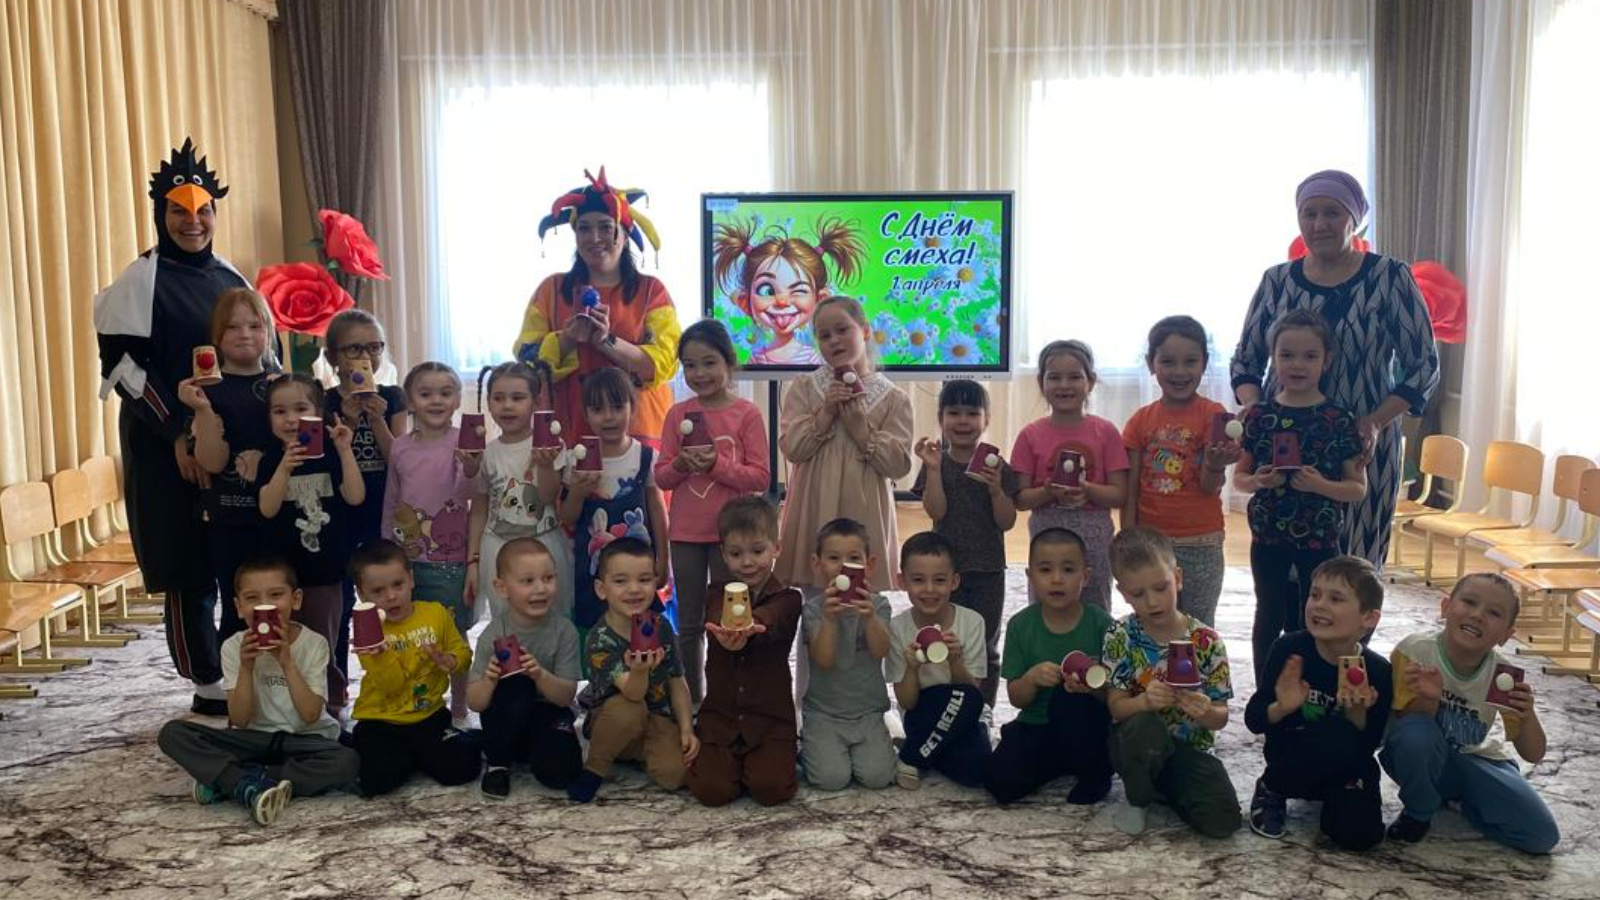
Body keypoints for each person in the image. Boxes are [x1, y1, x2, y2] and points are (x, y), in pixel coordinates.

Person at [94, 138, 249, 715]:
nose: (193, 221)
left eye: (203, 210)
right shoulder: (139, 281)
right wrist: (181, 433)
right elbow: (127, 371)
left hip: (225, 441)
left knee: (234, 555)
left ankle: (244, 668)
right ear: (161, 214)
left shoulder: (230, 276)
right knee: (186, 565)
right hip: (163, 442)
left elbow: (258, 354)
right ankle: (207, 682)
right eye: (180, 211)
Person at [1230, 169, 1440, 567]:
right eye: (1309, 213)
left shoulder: (1390, 277)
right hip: (1285, 441)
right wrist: (1256, 409)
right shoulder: (1277, 281)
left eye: (1332, 213)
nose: (1319, 224)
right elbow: (1246, 359)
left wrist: (1375, 421)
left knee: (1355, 563)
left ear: (1354, 219)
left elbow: (1423, 366)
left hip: (1361, 444)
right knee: (1282, 561)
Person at [156, 555, 358, 826]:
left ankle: (235, 780)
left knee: (347, 761)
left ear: (296, 600)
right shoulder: (233, 647)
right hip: (254, 740)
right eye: (252, 598)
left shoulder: (314, 644)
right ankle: (245, 781)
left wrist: (287, 662)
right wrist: (246, 667)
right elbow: (240, 719)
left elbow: (311, 715)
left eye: (276, 595)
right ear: (239, 608)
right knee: (173, 733)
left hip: (305, 740)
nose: (266, 605)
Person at [1380, 573, 1559, 854]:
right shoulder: (1415, 651)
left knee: (1541, 837)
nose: (1477, 615)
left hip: (1475, 760)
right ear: (1445, 607)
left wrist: (1527, 716)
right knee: (1416, 735)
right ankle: (1419, 812)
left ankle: (1460, 804)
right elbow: (1400, 729)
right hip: (1421, 756)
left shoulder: (1503, 676)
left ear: (1506, 635)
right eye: (1469, 602)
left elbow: (1534, 754)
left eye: (1494, 613)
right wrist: (1428, 700)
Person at [1232, 310, 1366, 685]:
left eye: (1309, 356)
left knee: (1317, 614)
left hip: (1320, 537)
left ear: (1327, 360)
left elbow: (1358, 488)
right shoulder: (1259, 416)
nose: (1297, 364)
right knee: (1268, 613)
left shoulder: (1339, 418)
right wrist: (1258, 480)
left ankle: (1312, 686)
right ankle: (1265, 689)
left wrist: (1320, 486)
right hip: (1268, 535)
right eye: (1287, 355)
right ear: (1273, 359)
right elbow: (1239, 479)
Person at [514, 167, 681, 440]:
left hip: (639, 432)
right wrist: (567, 339)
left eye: (605, 227)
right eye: (584, 228)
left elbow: (663, 363)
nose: (594, 238)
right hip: (567, 431)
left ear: (624, 234)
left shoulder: (653, 291)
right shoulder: (551, 290)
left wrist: (606, 341)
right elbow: (526, 358)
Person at [655, 320, 770, 704]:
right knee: (689, 622)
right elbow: (661, 476)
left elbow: (760, 478)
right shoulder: (677, 414)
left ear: (728, 363)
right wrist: (682, 464)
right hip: (685, 534)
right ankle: (692, 699)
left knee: (731, 620)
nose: (699, 373)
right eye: (690, 365)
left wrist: (716, 465)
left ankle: (729, 696)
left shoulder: (746, 414)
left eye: (709, 363)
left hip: (732, 538)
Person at [1244, 556, 1391, 850]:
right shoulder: (1289, 649)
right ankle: (1271, 787)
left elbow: (1369, 745)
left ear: (1369, 618)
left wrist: (1357, 712)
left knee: (1362, 836)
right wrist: (1282, 707)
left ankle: (1334, 802)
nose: (1319, 605)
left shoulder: (1377, 670)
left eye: (1336, 599)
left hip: (1344, 765)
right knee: (1328, 733)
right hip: (1292, 759)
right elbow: (1254, 719)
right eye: (1315, 595)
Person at [1103, 527, 1240, 838]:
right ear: (1123, 593)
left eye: (1161, 587)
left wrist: (1207, 712)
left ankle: (1165, 786)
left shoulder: (1207, 641)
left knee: (1223, 822)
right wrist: (1144, 702)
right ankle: (1138, 797)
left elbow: (1221, 717)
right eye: (1138, 594)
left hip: (1190, 749)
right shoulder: (1119, 635)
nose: (1152, 601)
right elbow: (1116, 708)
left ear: (1177, 578)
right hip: (1136, 743)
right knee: (1144, 726)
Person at [776, 296, 913, 591]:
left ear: (865, 331)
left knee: (862, 594)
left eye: (842, 330)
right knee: (817, 596)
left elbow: (898, 465)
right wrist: (825, 413)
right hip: (815, 506)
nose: (834, 340)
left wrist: (862, 432)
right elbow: (793, 449)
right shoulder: (805, 387)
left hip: (864, 508)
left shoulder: (893, 398)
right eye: (824, 335)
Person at [254, 374, 365, 717]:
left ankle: (330, 704)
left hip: (325, 572)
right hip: (283, 578)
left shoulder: (331, 453)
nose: (290, 419)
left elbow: (355, 496)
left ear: (318, 412)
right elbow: (267, 508)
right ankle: (287, 704)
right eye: (280, 411)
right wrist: (284, 469)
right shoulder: (269, 458)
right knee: (283, 642)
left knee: (323, 643)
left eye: (301, 409)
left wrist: (345, 451)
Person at [176, 288, 280, 644]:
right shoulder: (205, 392)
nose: (245, 334)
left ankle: (283, 675)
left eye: (255, 325)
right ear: (217, 337)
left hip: (281, 516)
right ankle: (238, 677)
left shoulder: (282, 386)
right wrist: (203, 411)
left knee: (283, 605)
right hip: (229, 519)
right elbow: (212, 461)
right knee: (239, 609)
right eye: (233, 327)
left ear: (269, 332)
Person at [1122, 316, 1240, 625]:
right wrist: (1128, 537)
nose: (1179, 371)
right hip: (1151, 543)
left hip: (1202, 541)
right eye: (1167, 361)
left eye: (1190, 361)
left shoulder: (1214, 415)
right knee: (1151, 621)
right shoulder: (1140, 421)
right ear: (1151, 364)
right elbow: (1130, 488)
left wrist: (1215, 464)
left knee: (1198, 625)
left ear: (1204, 364)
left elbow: (1210, 486)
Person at [984, 528, 1114, 805]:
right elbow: (1017, 699)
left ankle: (1095, 774)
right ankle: (1059, 761)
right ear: (1030, 577)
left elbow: (1114, 696)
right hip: (1036, 724)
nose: (1056, 579)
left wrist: (1092, 687)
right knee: (999, 782)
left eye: (1068, 570)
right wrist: (1031, 679)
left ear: (1086, 576)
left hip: (1086, 725)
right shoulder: (1020, 625)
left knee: (1069, 700)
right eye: (1045, 570)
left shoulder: (1102, 624)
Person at [686, 497, 802, 806]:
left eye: (758, 551)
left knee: (771, 789)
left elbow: (773, 617)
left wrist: (752, 625)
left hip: (770, 720)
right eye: (736, 554)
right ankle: (731, 764)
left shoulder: (789, 598)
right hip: (721, 719)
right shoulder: (715, 593)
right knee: (712, 791)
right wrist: (725, 631)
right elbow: (715, 615)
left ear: (776, 548)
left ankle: (768, 759)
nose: (747, 562)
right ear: (724, 554)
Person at [911, 380, 1020, 706]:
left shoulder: (996, 466)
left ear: (986, 420)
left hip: (988, 569)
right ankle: (944, 706)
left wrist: (996, 489)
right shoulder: (936, 463)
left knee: (985, 644)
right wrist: (933, 470)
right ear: (941, 419)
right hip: (945, 573)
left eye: (972, 413)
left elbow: (1007, 522)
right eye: (954, 412)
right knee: (943, 639)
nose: (962, 421)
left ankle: (982, 711)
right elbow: (936, 511)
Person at [382, 362, 479, 719]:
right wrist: (387, 549)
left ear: (457, 400)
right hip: (408, 560)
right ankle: (422, 696)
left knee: (453, 632)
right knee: (412, 629)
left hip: (450, 560)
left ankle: (460, 701)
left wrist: (471, 466)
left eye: (445, 393)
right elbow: (392, 500)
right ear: (410, 401)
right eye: (426, 394)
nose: (436, 400)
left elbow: (468, 494)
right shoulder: (400, 448)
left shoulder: (463, 442)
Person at [568, 539, 698, 803]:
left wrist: (686, 728)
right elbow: (633, 693)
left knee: (676, 775)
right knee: (628, 709)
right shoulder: (599, 638)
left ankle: (639, 750)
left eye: (644, 579)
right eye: (620, 581)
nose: (634, 589)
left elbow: (677, 680)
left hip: (657, 718)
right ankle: (595, 767)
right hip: (615, 715)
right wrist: (640, 671)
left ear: (656, 583)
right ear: (602, 589)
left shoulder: (662, 627)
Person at [347, 540, 481, 797]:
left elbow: (464, 655)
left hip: (429, 716)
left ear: (411, 579)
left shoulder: (436, 613)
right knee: (376, 780)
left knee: (464, 768)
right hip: (380, 722)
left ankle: (436, 748)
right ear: (362, 596)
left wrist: (450, 660)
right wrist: (382, 655)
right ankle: (412, 756)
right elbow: (392, 686)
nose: (390, 596)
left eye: (397, 584)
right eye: (377, 591)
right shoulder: (368, 632)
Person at [322, 308, 408, 684]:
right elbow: (327, 462)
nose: (365, 357)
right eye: (354, 349)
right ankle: (338, 680)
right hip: (339, 510)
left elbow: (398, 460)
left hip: (382, 507)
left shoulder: (392, 396)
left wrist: (376, 419)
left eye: (374, 347)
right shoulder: (323, 401)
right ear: (332, 358)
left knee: (391, 594)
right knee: (341, 601)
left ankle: (401, 673)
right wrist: (351, 420)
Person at [1012, 340, 1129, 611]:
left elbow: (1119, 494)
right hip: (1046, 535)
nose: (1064, 385)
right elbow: (1020, 499)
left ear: (1091, 381)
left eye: (1075, 377)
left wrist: (1086, 489)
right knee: (1046, 604)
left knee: (1096, 603)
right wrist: (1048, 491)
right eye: (1054, 377)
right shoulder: (1030, 435)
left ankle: (1097, 642)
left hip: (1095, 536)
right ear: (1041, 382)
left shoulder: (1106, 432)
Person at [467, 538, 583, 799]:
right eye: (527, 581)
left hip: (548, 710)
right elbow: (475, 702)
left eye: (548, 578)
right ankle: (498, 763)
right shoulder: (493, 634)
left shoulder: (565, 631)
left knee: (562, 774)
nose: (540, 588)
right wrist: (489, 680)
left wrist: (539, 674)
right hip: (506, 710)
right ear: (502, 588)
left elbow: (565, 697)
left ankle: (528, 748)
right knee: (517, 687)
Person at [559, 368, 670, 637]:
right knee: (594, 635)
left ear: (633, 409)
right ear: (586, 414)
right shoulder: (575, 459)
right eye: (598, 409)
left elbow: (658, 511)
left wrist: (664, 560)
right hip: (592, 575)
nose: (608, 417)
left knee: (643, 635)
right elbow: (568, 519)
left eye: (618, 407)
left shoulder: (646, 457)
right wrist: (578, 492)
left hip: (638, 573)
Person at [467, 361, 573, 624]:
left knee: (549, 620)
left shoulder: (551, 445)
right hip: (497, 547)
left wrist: (545, 465)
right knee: (505, 620)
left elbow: (548, 498)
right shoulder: (487, 452)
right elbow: (479, 509)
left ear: (535, 402)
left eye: (517, 398)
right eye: (498, 398)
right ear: (488, 402)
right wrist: (473, 561)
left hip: (543, 544)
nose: (507, 405)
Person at [885, 532, 990, 791]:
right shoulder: (897, 628)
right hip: (923, 710)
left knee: (976, 773)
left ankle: (917, 752)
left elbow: (973, 693)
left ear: (954, 582)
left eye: (940, 580)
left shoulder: (972, 622)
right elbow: (907, 702)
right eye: (918, 580)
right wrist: (912, 668)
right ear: (902, 581)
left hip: (964, 710)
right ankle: (925, 751)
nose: (929, 589)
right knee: (958, 756)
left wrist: (955, 661)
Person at [799, 519, 896, 791]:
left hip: (868, 713)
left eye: (853, 558)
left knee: (878, 777)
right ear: (817, 563)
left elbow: (882, 651)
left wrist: (870, 619)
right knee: (831, 779)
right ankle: (810, 744)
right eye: (833, 558)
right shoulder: (814, 609)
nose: (843, 566)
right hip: (824, 713)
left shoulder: (879, 605)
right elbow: (823, 660)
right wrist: (830, 620)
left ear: (869, 564)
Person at [710, 216, 867, 366]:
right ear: (744, 302)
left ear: (820, 301)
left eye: (799, 290)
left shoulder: (813, 358)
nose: (782, 301)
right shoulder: (757, 358)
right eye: (767, 291)